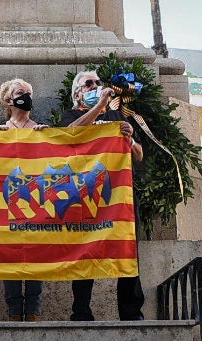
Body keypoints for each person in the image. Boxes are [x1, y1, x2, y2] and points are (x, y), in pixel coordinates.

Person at [59, 69, 146, 322]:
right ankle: (82, 311)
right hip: (86, 195)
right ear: (77, 94)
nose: (96, 85)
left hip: (119, 196)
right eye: (89, 84)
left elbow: (139, 155)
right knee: (85, 251)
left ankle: (131, 312)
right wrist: (99, 104)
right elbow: (70, 134)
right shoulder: (73, 114)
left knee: (127, 251)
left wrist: (130, 141)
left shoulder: (119, 117)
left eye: (98, 82)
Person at [0, 77, 45, 321]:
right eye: (19, 92)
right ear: (8, 99)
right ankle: (14, 311)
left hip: (37, 201)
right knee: (10, 256)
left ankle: (34, 311)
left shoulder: (40, 129)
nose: (25, 95)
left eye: (29, 92)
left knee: (36, 254)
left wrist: (46, 138)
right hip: (8, 204)